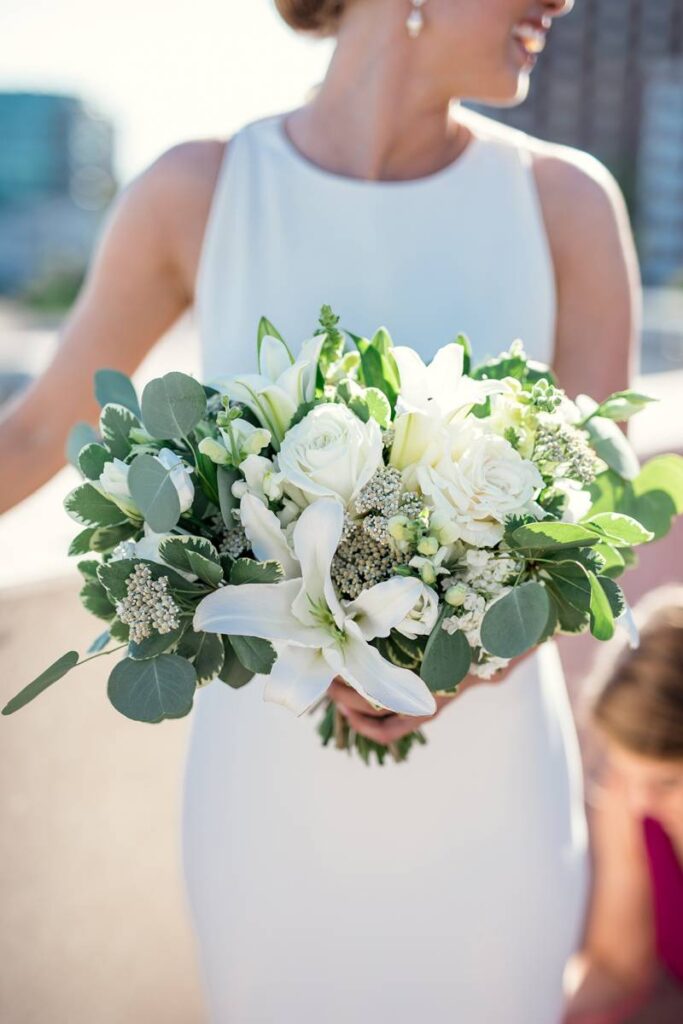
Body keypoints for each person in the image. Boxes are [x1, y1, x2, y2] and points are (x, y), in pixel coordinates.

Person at [0, 1, 640, 1021]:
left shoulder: (562, 203)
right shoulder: (198, 192)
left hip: (488, 795)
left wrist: (470, 663)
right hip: (266, 799)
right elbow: (37, 436)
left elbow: (593, 524)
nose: (560, 1)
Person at [564, 587, 683, 1024]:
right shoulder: (624, 798)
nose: (640, 803)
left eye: (667, 782)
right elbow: (614, 967)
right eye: (625, 774)